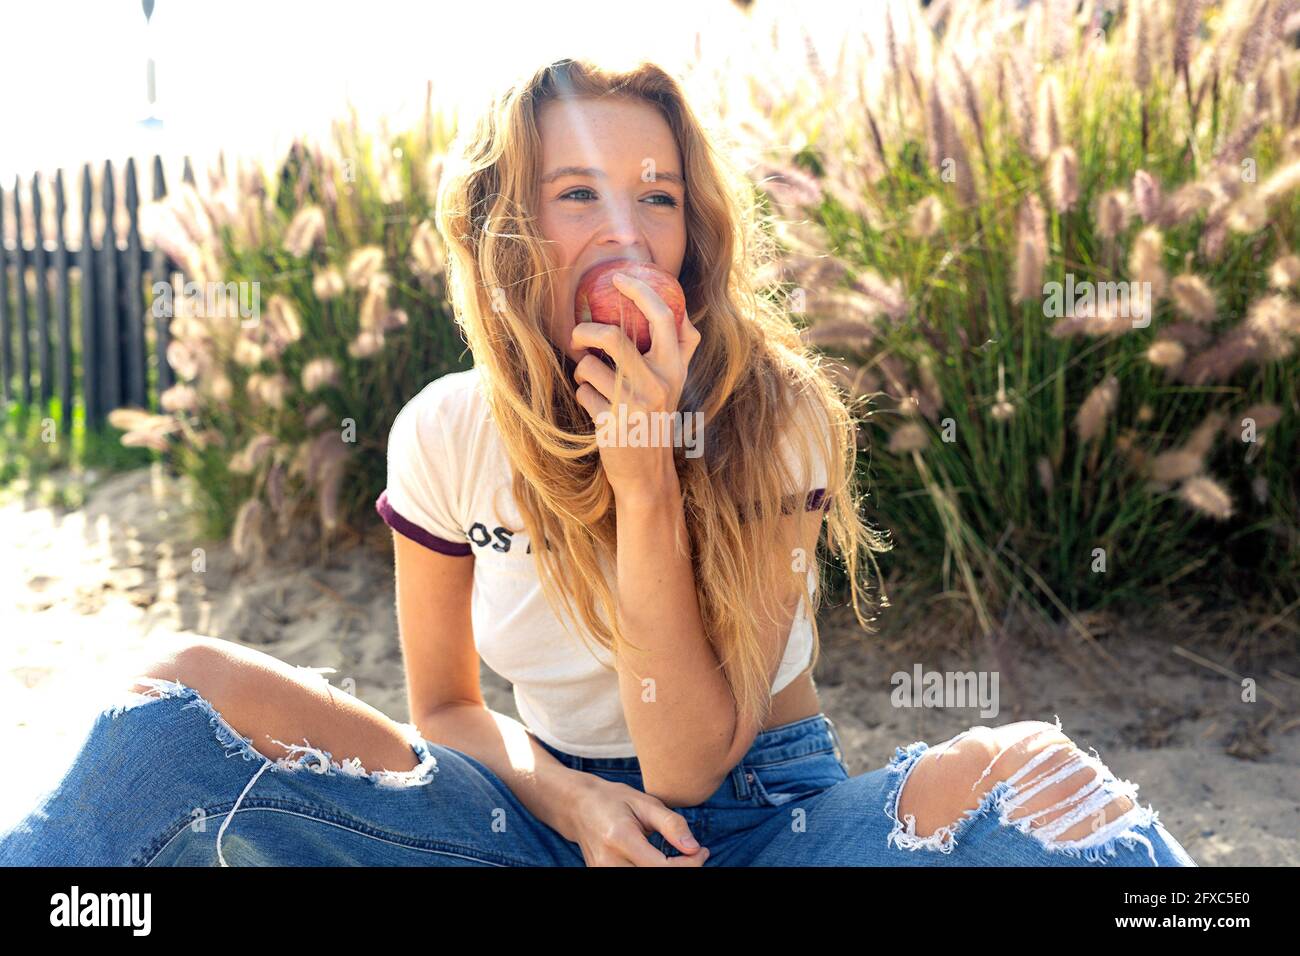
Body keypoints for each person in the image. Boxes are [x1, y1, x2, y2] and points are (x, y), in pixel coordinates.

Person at [0, 57, 1196, 867]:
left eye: (655, 196)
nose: (625, 228)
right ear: (505, 232)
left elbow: (685, 758)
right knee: (177, 680)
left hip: (769, 818)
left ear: (692, 234)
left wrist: (645, 473)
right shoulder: (446, 428)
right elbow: (448, 707)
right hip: (536, 818)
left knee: (1041, 780)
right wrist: (568, 798)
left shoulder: (774, 417)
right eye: (577, 192)